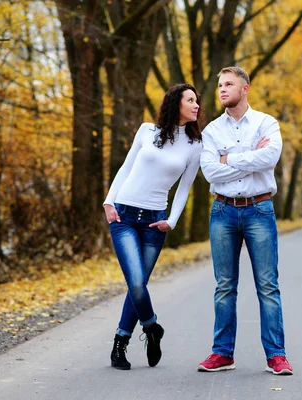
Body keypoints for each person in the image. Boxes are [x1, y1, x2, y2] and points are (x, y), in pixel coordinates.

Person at [197, 66, 293, 375]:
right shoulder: (211, 130)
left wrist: (230, 159)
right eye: (220, 85)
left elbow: (270, 158)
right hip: (222, 212)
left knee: (267, 285)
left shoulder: (267, 123)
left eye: (228, 84)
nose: (222, 89)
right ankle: (222, 354)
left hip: (259, 211)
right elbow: (211, 172)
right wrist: (250, 156)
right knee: (224, 286)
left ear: (245, 88)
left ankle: (276, 356)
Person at [103, 84, 203, 370]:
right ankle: (151, 327)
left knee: (138, 286)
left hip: (153, 222)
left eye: (197, 101)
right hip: (123, 215)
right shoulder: (147, 130)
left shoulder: (195, 144)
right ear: (175, 103)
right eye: (190, 100)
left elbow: (184, 189)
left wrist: (171, 220)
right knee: (135, 282)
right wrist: (109, 202)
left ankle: (120, 342)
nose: (196, 106)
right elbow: (126, 166)